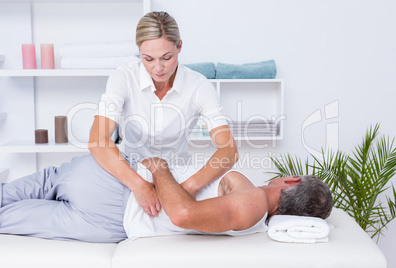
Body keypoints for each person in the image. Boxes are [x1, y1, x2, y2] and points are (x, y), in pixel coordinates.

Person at [88, 11, 238, 219]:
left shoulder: (199, 85)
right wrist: (139, 186)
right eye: (148, 59)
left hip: (179, 176)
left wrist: (190, 187)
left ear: (180, 47)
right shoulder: (124, 77)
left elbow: (228, 150)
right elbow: (97, 140)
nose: (158, 68)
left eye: (167, 58)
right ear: (139, 51)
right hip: (130, 174)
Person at [0, 154, 332, 243]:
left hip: (115, 196)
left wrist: (159, 168)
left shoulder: (255, 202)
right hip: (113, 208)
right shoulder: (252, 209)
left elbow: (183, 214)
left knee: (31, 190)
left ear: (292, 181)